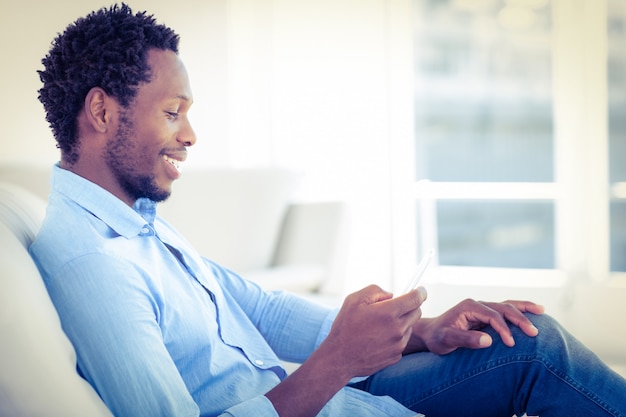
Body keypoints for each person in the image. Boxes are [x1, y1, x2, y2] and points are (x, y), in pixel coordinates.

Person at [30, 4, 626, 417]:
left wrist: (419, 332)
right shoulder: (94, 264)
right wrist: (338, 359)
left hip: (336, 395)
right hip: (324, 401)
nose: (190, 135)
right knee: (538, 352)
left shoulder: (135, 223)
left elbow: (255, 306)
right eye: (172, 112)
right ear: (103, 112)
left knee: (524, 340)